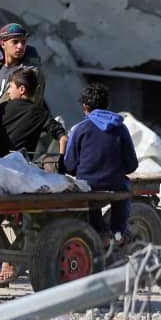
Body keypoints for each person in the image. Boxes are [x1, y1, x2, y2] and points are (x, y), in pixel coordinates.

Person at [63, 83, 138, 241]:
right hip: (115, 184)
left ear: (86, 107)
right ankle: (119, 231)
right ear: (107, 105)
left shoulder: (79, 129)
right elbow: (132, 165)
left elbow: (69, 166)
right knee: (124, 188)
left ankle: (98, 231)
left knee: (86, 190)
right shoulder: (121, 128)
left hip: (88, 185)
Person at [0, 67, 67, 158]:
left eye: (10, 87)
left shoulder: (3, 107)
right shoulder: (41, 114)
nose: (8, 91)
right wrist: (61, 163)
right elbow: (63, 138)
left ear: (22, 89)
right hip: (18, 169)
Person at [0, 23, 43, 110]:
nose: (20, 46)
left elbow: (32, 108)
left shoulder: (31, 74)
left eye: (23, 42)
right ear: (3, 44)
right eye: (15, 42)